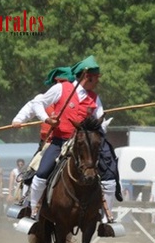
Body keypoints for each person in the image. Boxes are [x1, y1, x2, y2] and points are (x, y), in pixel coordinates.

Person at [11, 56, 104, 220]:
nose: (63, 83)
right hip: (56, 141)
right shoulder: (59, 91)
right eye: (60, 81)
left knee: (108, 173)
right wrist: (22, 120)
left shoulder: (94, 98)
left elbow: (99, 122)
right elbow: (33, 105)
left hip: (82, 145)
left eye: (64, 80)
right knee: (39, 172)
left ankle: (104, 214)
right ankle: (32, 209)